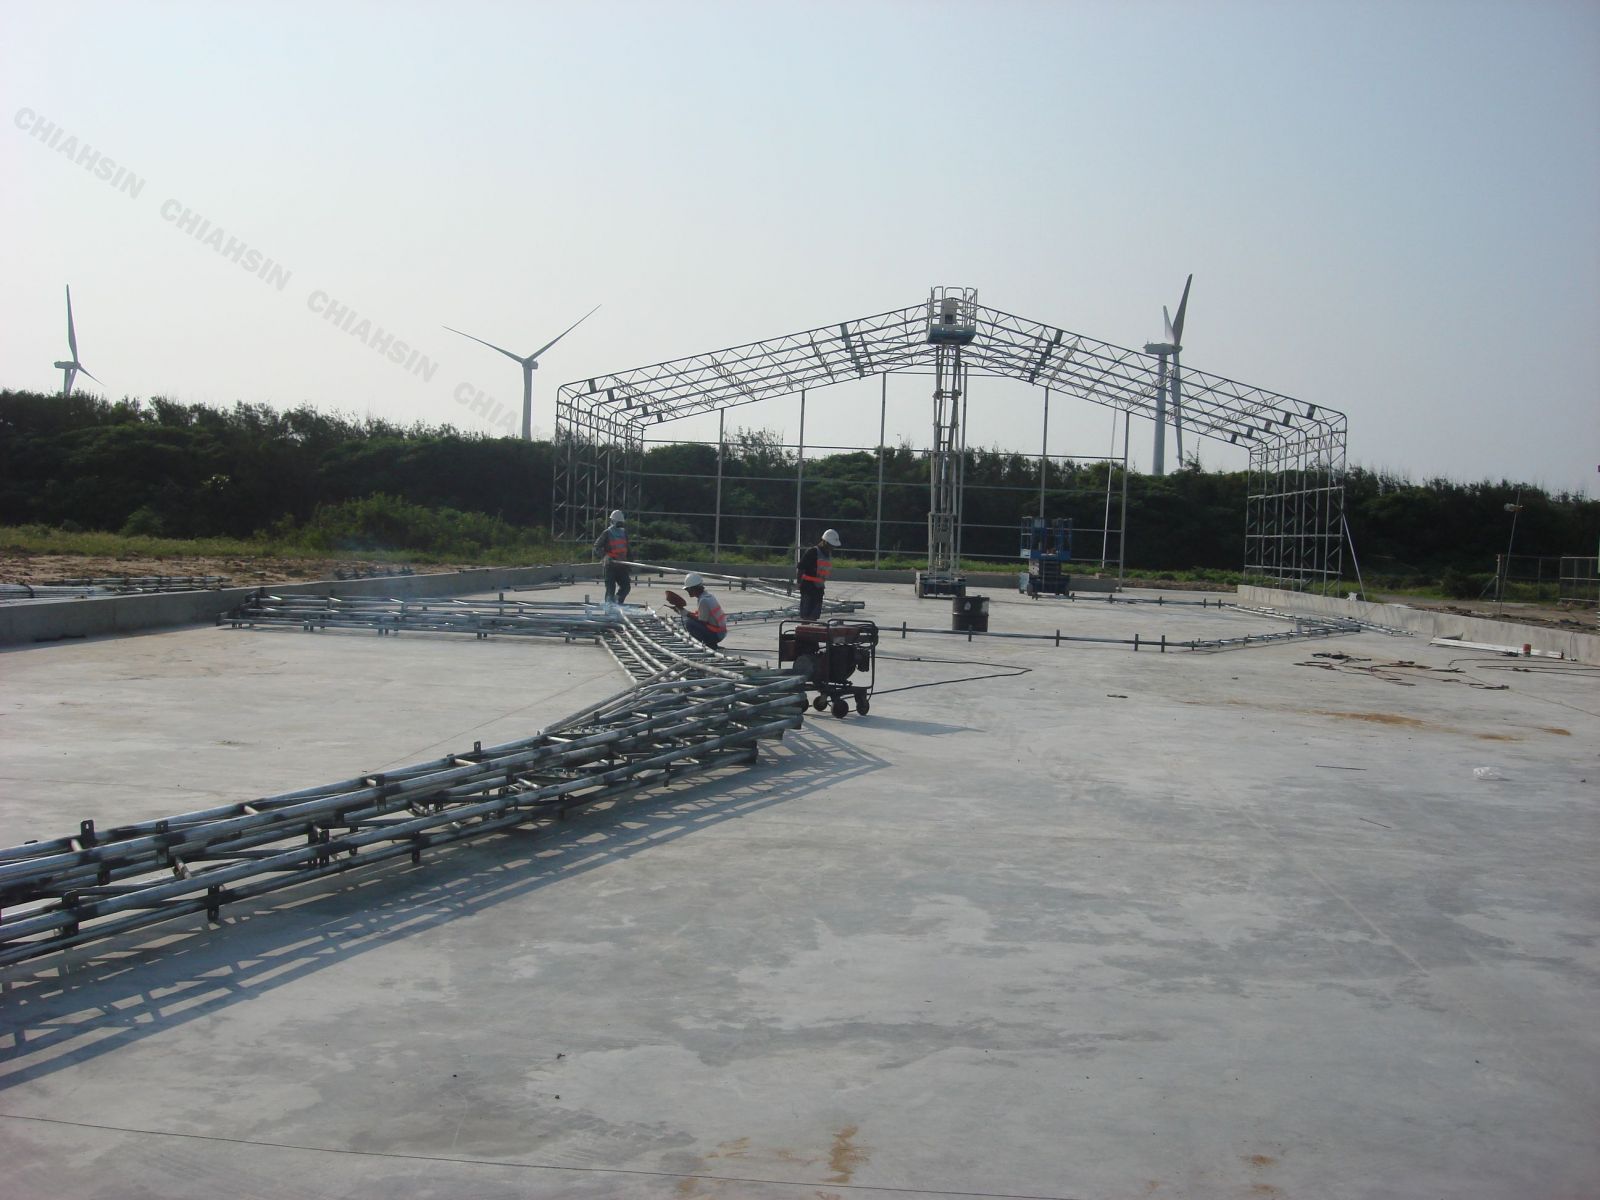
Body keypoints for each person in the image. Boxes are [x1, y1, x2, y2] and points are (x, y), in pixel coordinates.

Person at [796, 528, 842, 621]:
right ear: (824, 542)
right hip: (808, 588)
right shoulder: (812, 552)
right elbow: (801, 568)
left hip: (818, 589)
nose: (832, 548)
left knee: (814, 617)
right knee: (806, 617)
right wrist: (799, 583)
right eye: (830, 545)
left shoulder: (827, 555)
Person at [674, 573, 727, 649]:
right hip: (720, 632)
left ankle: (709, 644)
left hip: (717, 634)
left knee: (689, 623)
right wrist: (684, 612)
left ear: (694, 589)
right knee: (691, 620)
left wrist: (686, 614)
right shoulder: (708, 596)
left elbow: (702, 621)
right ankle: (711, 644)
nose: (688, 592)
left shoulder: (703, 600)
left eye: (688, 590)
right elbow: (700, 616)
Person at [593, 510, 631, 605]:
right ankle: (609, 609)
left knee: (626, 587)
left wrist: (630, 563)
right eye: (618, 522)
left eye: (621, 523)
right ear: (613, 521)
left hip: (622, 566)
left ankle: (617, 602)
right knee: (610, 590)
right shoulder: (607, 533)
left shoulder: (624, 533)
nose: (620, 525)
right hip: (610, 566)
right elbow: (596, 547)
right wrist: (605, 556)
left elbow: (628, 549)